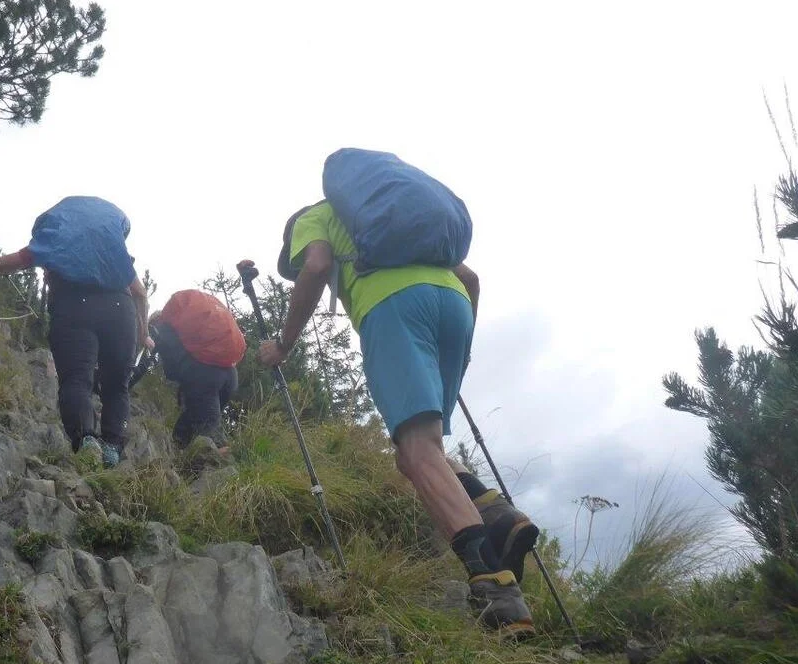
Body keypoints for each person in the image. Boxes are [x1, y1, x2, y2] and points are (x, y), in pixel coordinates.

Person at [258, 200, 539, 636]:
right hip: (456, 306)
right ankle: (497, 513)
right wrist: (460, 347)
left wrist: (283, 345)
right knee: (425, 451)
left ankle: (495, 587)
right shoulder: (385, 215)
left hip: (394, 306)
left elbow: (316, 265)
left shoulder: (314, 218)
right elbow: (470, 278)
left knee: (416, 453)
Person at [0, 197, 148, 468]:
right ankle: (112, 450)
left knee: (76, 380)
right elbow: (140, 294)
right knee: (116, 386)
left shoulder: (54, 240)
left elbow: (2, 264)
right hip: (120, 311)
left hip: (72, 307)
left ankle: (86, 441)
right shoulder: (112, 252)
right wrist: (143, 334)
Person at [146, 302, 241, 452]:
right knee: (187, 424)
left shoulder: (162, 330)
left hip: (204, 378)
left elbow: (170, 372)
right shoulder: (192, 333)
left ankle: (224, 460)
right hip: (230, 375)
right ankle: (180, 453)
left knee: (210, 433)